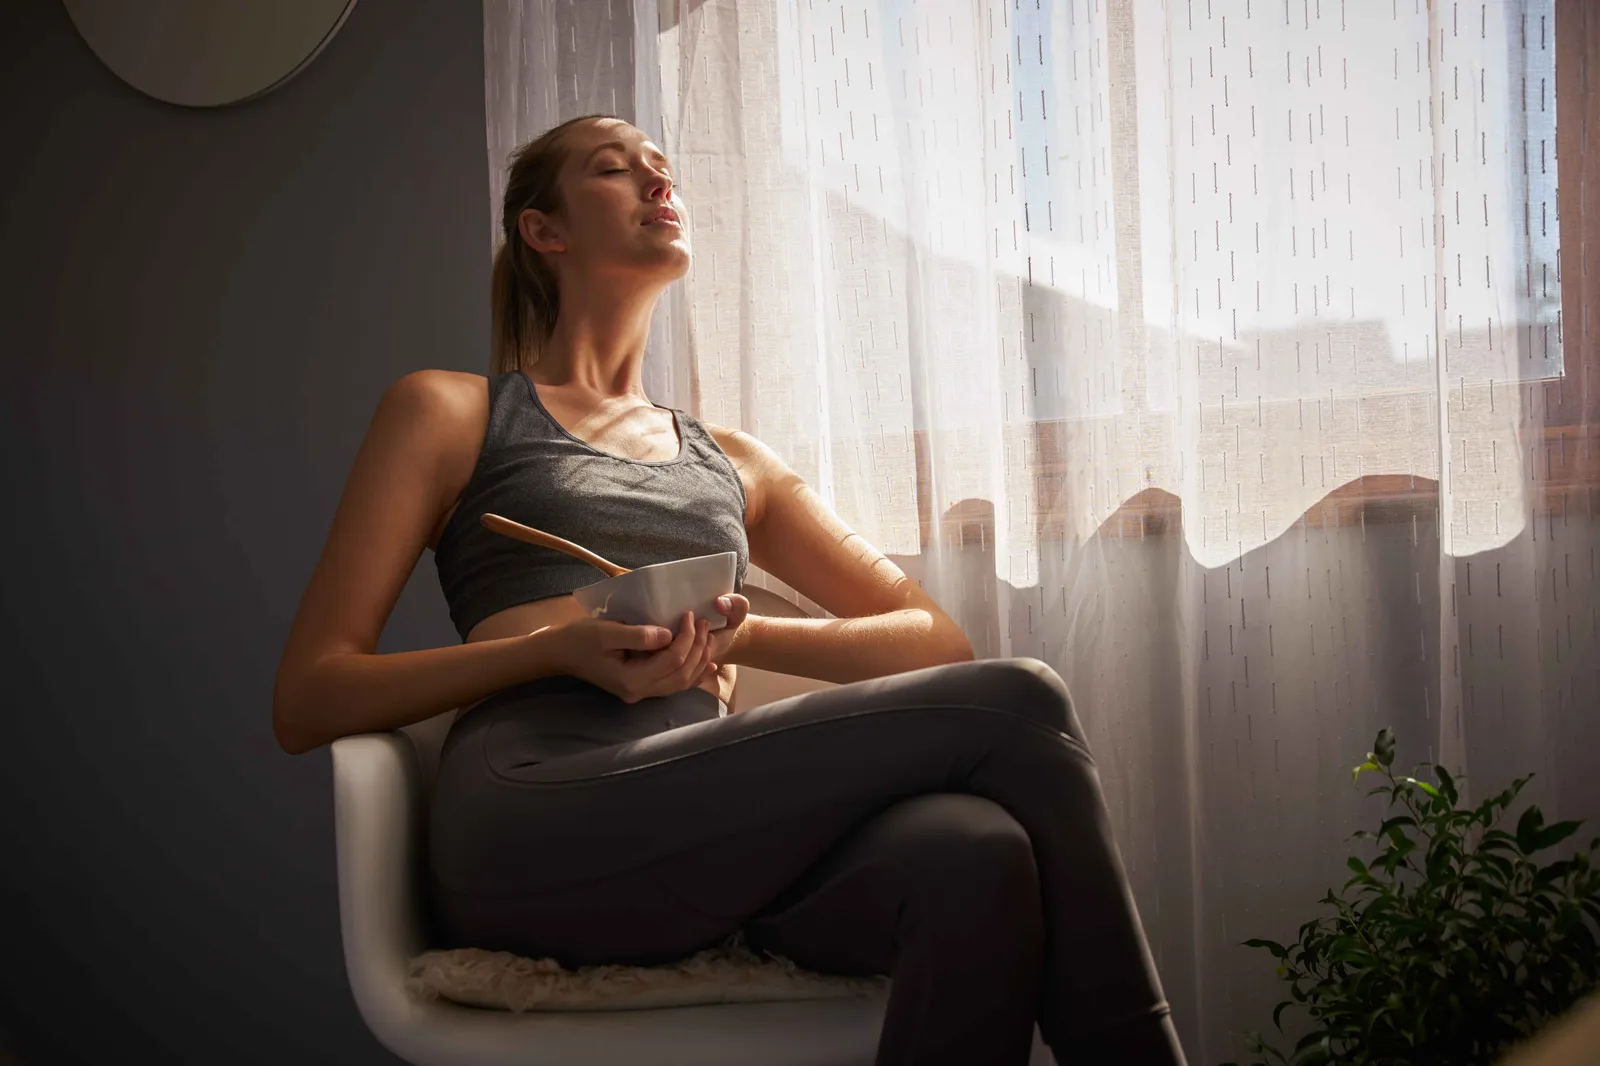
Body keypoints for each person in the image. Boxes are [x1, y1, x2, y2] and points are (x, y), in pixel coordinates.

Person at [272, 113, 1186, 1066]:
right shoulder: (451, 410)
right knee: (1022, 698)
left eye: (662, 169)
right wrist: (552, 650)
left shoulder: (736, 461)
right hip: (536, 814)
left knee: (976, 854)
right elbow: (307, 698)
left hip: (708, 825)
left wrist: (738, 638)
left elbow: (932, 641)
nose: (656, 183)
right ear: (544, 230)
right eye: (615, 170)